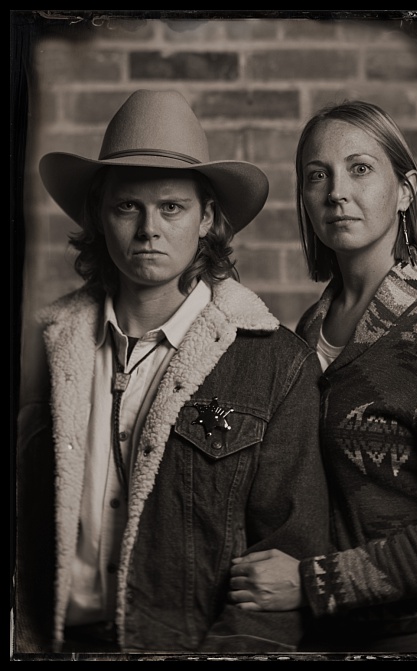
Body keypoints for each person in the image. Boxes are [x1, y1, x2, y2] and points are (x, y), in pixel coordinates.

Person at [14, 89, 331, 654]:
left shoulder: (275, 363)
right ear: (98, 214)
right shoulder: (39, 349)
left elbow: (283, 572)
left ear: (208, 218)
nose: (148, 230)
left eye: (172, 207)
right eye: (126, 206)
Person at [227, 100, 417, 654]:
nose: (337, 191)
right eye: (318, 175)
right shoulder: (308, 329)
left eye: (360, 168)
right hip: (325, 635)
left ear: (405, 191)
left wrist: (315, 583)